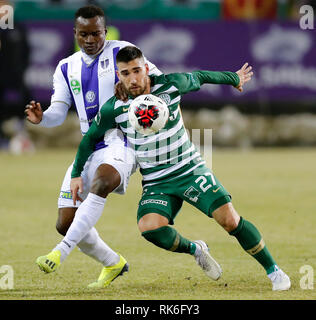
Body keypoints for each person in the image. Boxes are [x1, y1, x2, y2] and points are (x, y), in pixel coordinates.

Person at [45, 46, 290, 291]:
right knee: (149, 228)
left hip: (190, 171)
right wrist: (76, 173)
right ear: (118, 76)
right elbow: (89, 139)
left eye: (137, 71)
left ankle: (274, 271)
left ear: (146, 69)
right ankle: (196, 249)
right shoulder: (115, 107)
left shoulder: (171, 85)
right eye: (125, 73)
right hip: (156, 181)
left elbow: (201, 76)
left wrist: (233, 78)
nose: (132, 79)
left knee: (229, 221)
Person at [24, 6, 161, 288]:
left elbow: (154, 79)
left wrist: (135, 86)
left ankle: (60, 252)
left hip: (122, 140)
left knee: (102, 181)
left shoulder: (123, 51)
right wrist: (42, 118)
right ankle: (114, 263)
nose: (90, 40)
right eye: (83, 34)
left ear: (105, 31)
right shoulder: (66, 67)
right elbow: (59, 112)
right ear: (75, 34)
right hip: (90, 144)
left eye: (96, 33)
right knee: (65, 222)